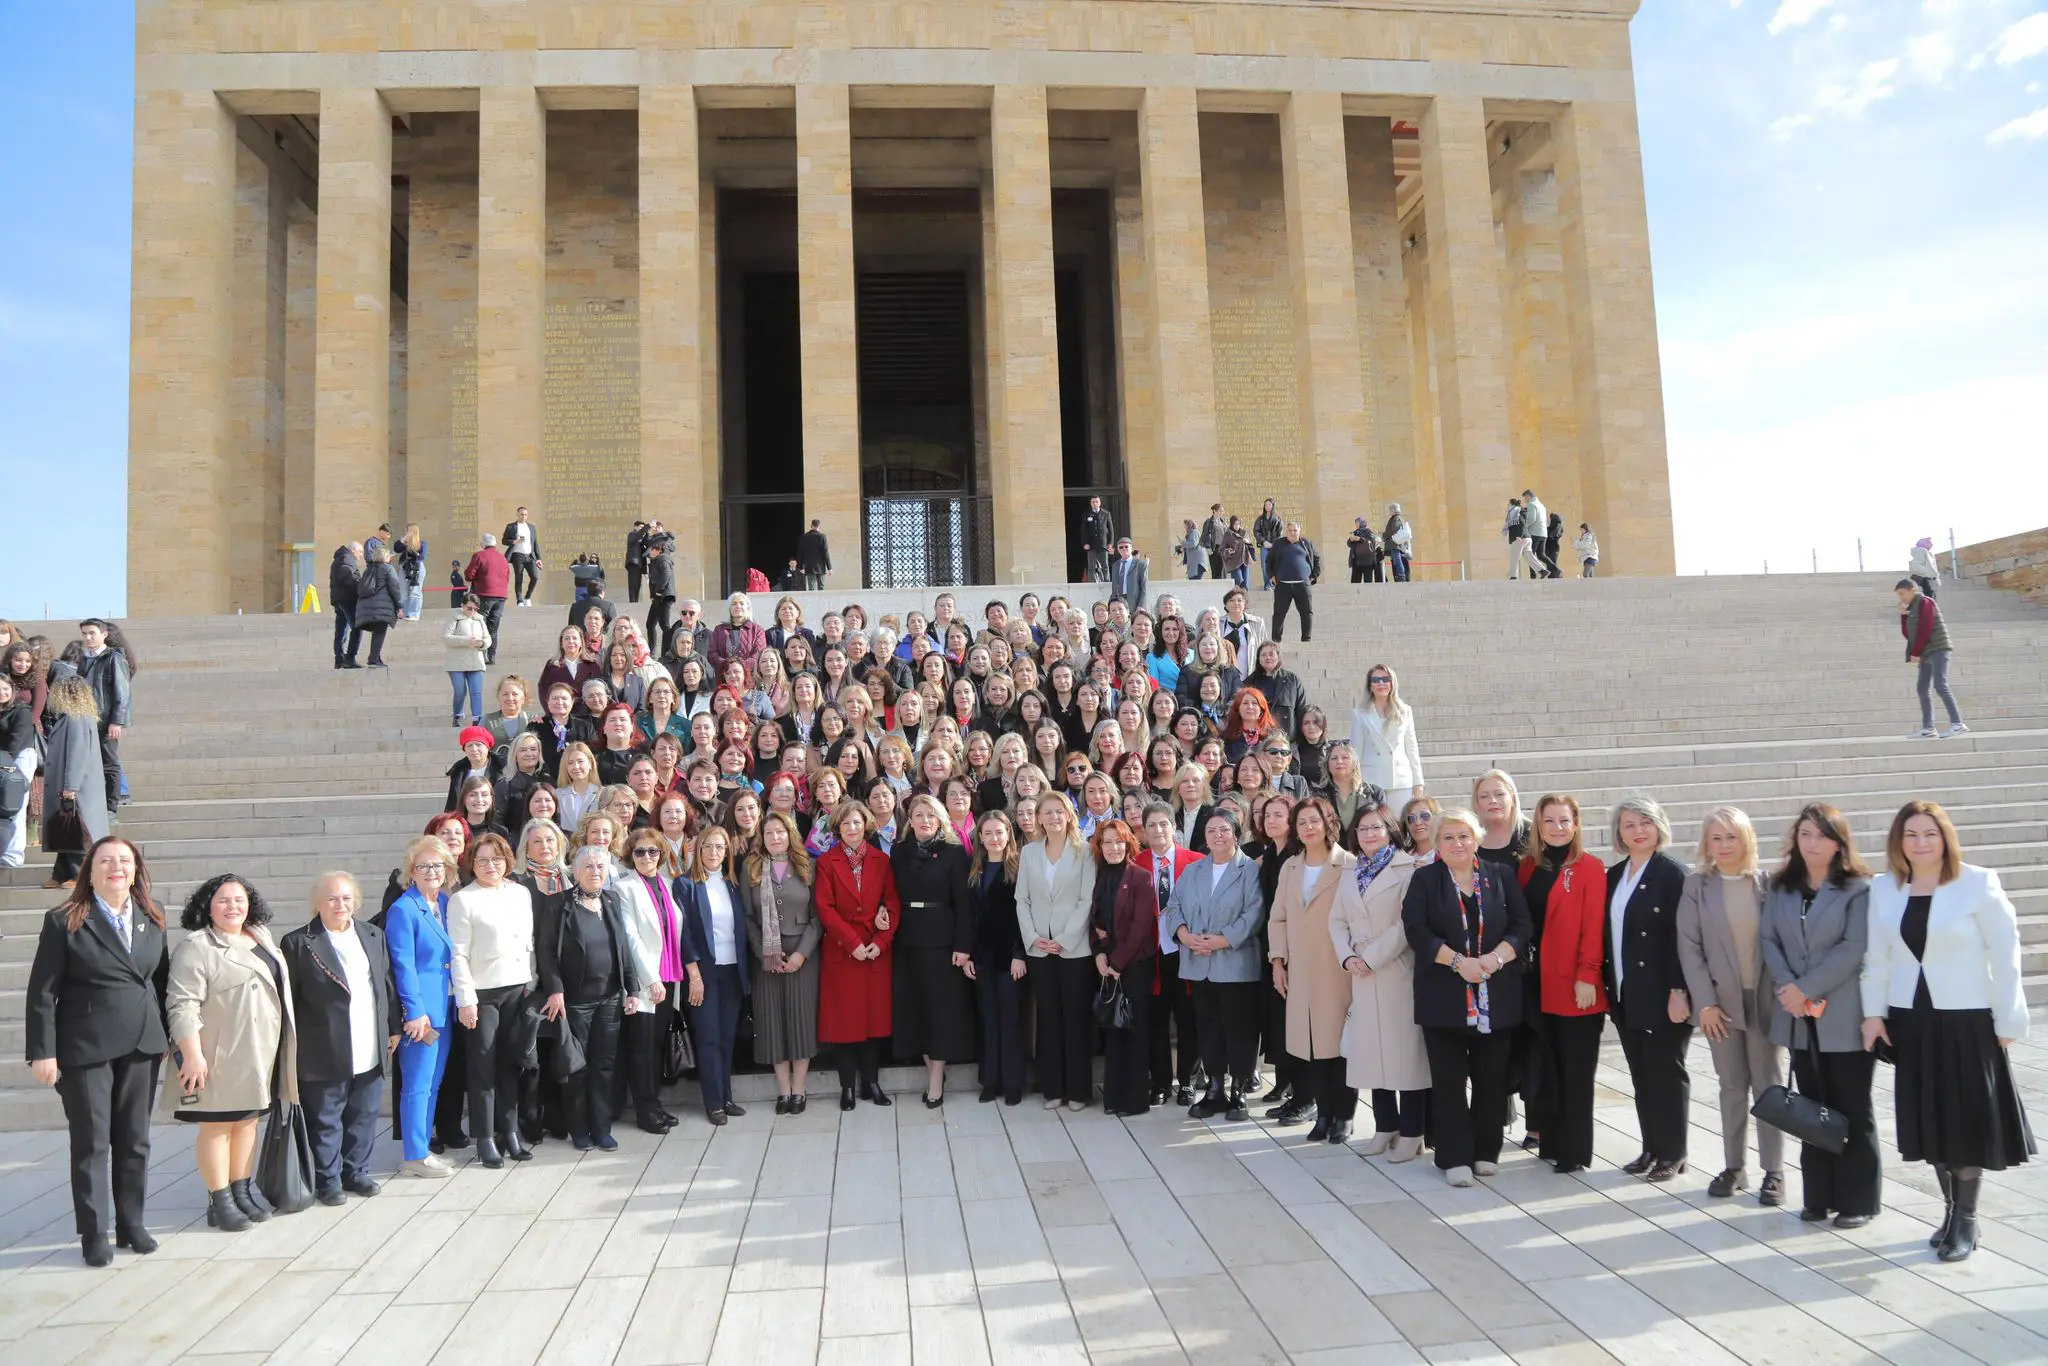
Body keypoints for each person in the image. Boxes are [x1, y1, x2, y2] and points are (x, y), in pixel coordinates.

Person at [1863, 801, 2032, 1263]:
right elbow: (1877, 956)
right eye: (1911, 834)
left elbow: (2006, 951)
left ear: (1945, 838)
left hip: (1965, 1019)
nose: (1920, 843)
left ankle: (1967, 1220)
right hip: (1910, 1020)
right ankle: (1950, 1210)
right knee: (1930, 1118)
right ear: (1898, 841)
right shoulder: (1884, 888)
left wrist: (2009, 1017)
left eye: (1929, 834)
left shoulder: (1977, 882)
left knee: (1963, 1119)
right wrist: (1873, 1014)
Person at [25, 836, 171, 1264]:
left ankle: (132, 1224)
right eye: (106, 861)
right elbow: (41, 992)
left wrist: (163, 1034)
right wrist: (42, 1051)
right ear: (90, 871)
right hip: (85, 1047)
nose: (116, 868)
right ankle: (94, 1233)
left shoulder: (152, 915)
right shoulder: (66, 920)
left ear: (136, 869)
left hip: (142, 1044)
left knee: (136, 1141)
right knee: (91, 1144)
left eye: (125, 861)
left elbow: (160, 982)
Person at [1760, 803, 1877, 1226]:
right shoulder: (1781, 887)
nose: (1813, 843)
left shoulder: (1858, 888)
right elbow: (1768, 938)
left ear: (1839, 842)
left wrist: (1807, 988)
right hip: (1797, 1014)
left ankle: (1857, 1201)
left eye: (1823, 835)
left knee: (1851, 1108)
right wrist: (1791, 989)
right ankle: (1819, 1196)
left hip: (1843, 1014)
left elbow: (1853, 947)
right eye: (1805, 833)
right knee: (1811, 1109)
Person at [1404, 807, 1532, 1186]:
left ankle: (1485, 1150)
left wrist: (1494, 959)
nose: (1456, 843)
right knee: (1448, 1080)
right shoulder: (1424, 880)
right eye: (1448, 837)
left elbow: (1522, 926)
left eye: (1463, 836)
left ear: (1476, 839)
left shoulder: (1501, 876)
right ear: (1437, 844)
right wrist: (1459, 962)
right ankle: (1454, 1155)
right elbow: (1417, 931)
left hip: (1496, 990)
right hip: (1443, 995)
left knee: (1491, 1077)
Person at [1676, 806, 1783, 1204]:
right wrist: (1704, 1004)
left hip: (1765, 1000)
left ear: (1746, 840)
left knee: (1768, 1087)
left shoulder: (1768, 884)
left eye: (1731, 837)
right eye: (1715, 838)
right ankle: (1734, 1166)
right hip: (1720, 1003)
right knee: (1732, 1085)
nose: (1723, 845)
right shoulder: (1697, 886)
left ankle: (1774, 1172)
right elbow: (1690, 948)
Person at [281, 872, 399, 1206]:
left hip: (369, 1041)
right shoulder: (298, 943)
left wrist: (393, 1027)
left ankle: (356, 1171)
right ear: (317, 903)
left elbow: (385, 985)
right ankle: (328, 1179)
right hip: (324, 1046)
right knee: (326, 1118)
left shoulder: (372, 934)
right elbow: (289, 1000)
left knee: (363, 1114)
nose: (340, 904)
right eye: (332, 898)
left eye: (346, 898)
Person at [1518, 795, 1609, 1176]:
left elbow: (1593, 926)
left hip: (1575, 985)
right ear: (1538, 825)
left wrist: (1587, 974)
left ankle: (1574, 1151)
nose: (1557, 827)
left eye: (1564, 820)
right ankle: (1550, 1143)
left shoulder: (1589, 867)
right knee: (1548, 1067)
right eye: (1549, 820)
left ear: (1576, 824)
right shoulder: (1527, 867)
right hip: (1537, 983)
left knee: (1576, 1070)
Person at [1604, 793, 1693, 1183]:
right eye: (1629, 825)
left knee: (1667, 1073)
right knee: (1641, 1073)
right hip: (1625, 990)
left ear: (1659, 827)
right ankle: (1651, 1147)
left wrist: (1679, 990)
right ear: (1619, 834)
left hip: (1663, 992)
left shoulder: (1674, 874)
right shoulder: (1614, 875)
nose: (1638, 831)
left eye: (1645, 823)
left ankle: (1674, 1152)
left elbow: (1684, 937)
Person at [1329, 803, 1427, 1158]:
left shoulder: (1407, 868)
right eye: (1363, 828)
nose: (1369, 834)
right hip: (1361, 972)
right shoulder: (1350, 871)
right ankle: (1386, 1125)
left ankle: (1413, 1130)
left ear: (1389, 830)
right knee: (1371, 1053)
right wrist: (1349, 957)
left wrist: (1371, 957)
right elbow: (1337, 921)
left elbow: (1407, 923)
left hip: (1395, 968)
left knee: (1405, 1054)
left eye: (1376, 827)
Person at [1163, 808, 1266, 1121]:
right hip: (1198, 962)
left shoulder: (1248, 870)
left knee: (1239, 1029)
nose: (1218, 836)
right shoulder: (1194, 869)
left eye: (1224, 829)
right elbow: (1174, 906)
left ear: (1235, 832)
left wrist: (1223, 940)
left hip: (1235, 962)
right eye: (1211, 831)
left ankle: (1238, 1091)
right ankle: (1215, 1088)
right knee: (1208, 1028)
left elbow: (1254, 912)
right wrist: (1183, 935)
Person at [537, 846, 641, 1149]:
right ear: (576, 872)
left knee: (604, 1065)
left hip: (609, 999)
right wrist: (555, 989)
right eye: (589, 867)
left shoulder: (611, 900)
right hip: (576, 1000)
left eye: (600, 867)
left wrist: (632, 989)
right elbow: (546, 952)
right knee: (577, 1067)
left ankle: (602, 1127)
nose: (596, 872)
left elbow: (623, 948)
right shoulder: (558, 905)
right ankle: (579, 1129)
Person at [1269, 798, 1360, 1142]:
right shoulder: (1291, 867)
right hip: (1301, 971)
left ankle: (1345, 1115)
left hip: (1337, 968)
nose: (1309, 827)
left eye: (1315, 820)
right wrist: (1278, 960)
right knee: (1312, 1047)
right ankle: (1323, 1114)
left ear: (1328, 823)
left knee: (1338, 1045)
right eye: (1302, 821)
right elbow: (1277, 917)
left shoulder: (1347, 865)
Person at [448, 833, 537, 1167]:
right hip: (482, 995)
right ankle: (485, 1137)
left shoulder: (520, 893)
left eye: (497, 859)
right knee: (483, 1068)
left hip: (516, 989)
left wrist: (531, 978)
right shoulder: (463, 900)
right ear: (472, 863)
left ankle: (510, 1132)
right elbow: (458, 953)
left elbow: (527, 939)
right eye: (482, 860)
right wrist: (465, 999)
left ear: (507, 862)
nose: (490, 866)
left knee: (510, 1065)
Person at [891, 795, 976, 1107]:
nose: (924, 820)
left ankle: (936, 1080)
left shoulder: (954, 853)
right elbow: (891, 894)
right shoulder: (898, 852)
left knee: (940, 1013)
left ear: (941, 819)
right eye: (918, 815)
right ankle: (933, 1069)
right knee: (916, 1012)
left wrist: (963, 946)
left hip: (942, 942)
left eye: (931, 815)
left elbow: (964, 905)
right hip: (907, 940)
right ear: (909, 820)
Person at [815, 802, 899, 1108]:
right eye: (846, 824)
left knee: (873, 1021)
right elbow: (825, 908)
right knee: (845, 1023)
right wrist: (852, 943)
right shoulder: (826, 862)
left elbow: (892, 904)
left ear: (866, 825)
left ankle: (872, 1083)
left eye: (857, 823)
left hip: (875, 952)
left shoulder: (881, 860)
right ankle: (847, 1086)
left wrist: (881, 941)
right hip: (843, 952)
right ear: (838, 828)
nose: (852, 828)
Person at [1019, 792, 1100, 1110]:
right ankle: (1052, 1088)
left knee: (1075, 1020)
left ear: (1069, 815)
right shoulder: (1028, 853)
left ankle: (1078, 1091)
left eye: (1059, 811)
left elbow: (1086, 899)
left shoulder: (1085, 852)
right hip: (1040, 949)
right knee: (1048, 1020)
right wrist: (1033, 937)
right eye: (1047, 812)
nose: (1053, 817)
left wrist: (1065, 938)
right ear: (1038, 818)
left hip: (1074, 949)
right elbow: (1021, 900)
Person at [385, 836, 459, 1178]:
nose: (432, 871)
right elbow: (403, 964)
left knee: (433, 1082)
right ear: (411, 872)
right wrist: (414, 1011)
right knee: (417, 1083)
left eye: (438, 865)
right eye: (424, 866)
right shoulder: (403, 909)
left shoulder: (443, 903)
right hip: (422, 1013)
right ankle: (414, 1155)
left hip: (445, 1006)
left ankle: (422, 1148)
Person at [744, 810, 821, 1112]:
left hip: (803, 951)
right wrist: (764, 954)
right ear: (761, 838)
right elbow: (748, 919)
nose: (775, 838)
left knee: (800, 1019)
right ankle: (783, 1090)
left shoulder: (807, 866)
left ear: (790, 834)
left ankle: (800, 1090)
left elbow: (818, 918)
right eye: (768, 833)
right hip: (766, 954)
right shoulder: (751, 869)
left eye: (780, 832)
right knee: (772, 1021)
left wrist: (802, 953)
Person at [675, 824, 746, 1124]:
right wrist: (695, 976)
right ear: (697, 850)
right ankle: (713, 1102)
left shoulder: (732, 883)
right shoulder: (686, 884)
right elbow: (684, 935)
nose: (713, 852)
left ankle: (726, 1096)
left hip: (733, 971)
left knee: (727, 1037)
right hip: (703, 973)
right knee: (708, 1038)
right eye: (707, 847)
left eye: (719, 847)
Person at [617, 828, 683, 1132]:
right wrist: (650, 978)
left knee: (656, 1044)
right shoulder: (624, 888)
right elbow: (630, 938)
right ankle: (645, 1110)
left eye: (652, 851)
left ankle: (655, 1103)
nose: (646, 857)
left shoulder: (668, 884)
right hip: (646, 981)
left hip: (670, 977)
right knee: (642, 1047)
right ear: (631, 856)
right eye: (639, 852)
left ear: (662, 854)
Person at [968, 809, 1030, 1105]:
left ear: (1009, 834)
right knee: (988, 1019)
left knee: (1011, 1020)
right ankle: (991, 1081)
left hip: (1011, 957)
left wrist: (1020, 954)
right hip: (982, 958)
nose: (994, 838)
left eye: (999, 832)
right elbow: (970, 917)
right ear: (980, 837)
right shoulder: (974, 869)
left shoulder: (1020, 868)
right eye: (988, 833)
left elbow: (1024, 915)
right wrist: (967, 954)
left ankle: (1014, 1083)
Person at [40, 677, 111, 889]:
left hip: (78, 787)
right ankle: (61, 872)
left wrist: (71, 787)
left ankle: (79, 874)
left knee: (78, 830)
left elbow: (77, 755)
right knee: (67, 827)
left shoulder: (76, 720)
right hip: (74, 784)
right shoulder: (74, 718)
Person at [1897, 578, 1967, 739]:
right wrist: (1903, 616)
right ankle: (1928, 728)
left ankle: (1958, 723)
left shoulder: (1925, 602)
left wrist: (1915, 652)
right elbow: (1909, 634)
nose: (1901, 598)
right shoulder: (1912, 608)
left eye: (1902, 593)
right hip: (1926, 652)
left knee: (1940, 685)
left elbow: (1925, 629)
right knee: (1922, 688)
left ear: (1912, 590)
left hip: (1938, 648)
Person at [1350, 665, 1423, 815]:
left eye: (1385, 679)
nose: (1381, 683)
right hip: (1372, 780)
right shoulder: (1359, 714)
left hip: (1401, 779)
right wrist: (1355, 782)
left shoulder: (1405, 710)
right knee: (1376, 824)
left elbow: (1411, 747)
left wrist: (1418, 781)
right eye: (1376, 680)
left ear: (1392, 683)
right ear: (1370, 685)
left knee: (1400, 825)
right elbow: (1355, 751)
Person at [0, 675, 36, 869]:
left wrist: (6, 766)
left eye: (5, 688)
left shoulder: (21, 710)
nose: (2, 693)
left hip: (19, 758)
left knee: (16, 807)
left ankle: (13, 855)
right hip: (2, 759)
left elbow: (17, 741)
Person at [443, 594, 493, 728]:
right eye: (469, 608)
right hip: (456, 662)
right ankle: (457, 714)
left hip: (475, 661)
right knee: (460, 691)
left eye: (475, 609)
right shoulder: (455, 618)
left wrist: (482, 643)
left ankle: (477, 718)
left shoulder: (479, 620)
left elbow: (488, 638)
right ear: (462, 606)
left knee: (476, 691)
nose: (472, 612)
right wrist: (466, 641)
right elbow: (446, 638)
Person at [464, 534, 512, 664]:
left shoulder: (479, 555)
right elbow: (507, 577)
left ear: (482, 544)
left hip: (484, 594)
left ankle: (481, 654)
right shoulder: (502, 558)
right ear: (495, 544)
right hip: (501, 596)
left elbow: (469, 574)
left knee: (480, 624)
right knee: (493, 627)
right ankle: (491, 656)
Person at [1267, 522, 1317, 643]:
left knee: (1306, 612)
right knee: (1279, 613)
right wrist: (1272, 576)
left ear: (1299, 531)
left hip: (1302, 585)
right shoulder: (1278, 544)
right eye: (1290, 530)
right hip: (1283, 585)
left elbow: (1316, 559)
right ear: (1286, 531)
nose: (1292, 533)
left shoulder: (1306, 543)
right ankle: (1276, 639)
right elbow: (1269, 561)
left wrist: (1313, 577)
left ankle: (1306, 639)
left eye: (1295, 530)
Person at [330, 544, 363, 668]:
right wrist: (361, 587)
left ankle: (339, 659)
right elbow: (348, 576)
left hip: (339, 599)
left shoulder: (339, 558)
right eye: (360, 552)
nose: (361, 556)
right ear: (353, 550)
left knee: (341, 630)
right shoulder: (346, 558)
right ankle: (349, 658)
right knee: (357, 626)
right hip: (347, 598)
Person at [502, 506, 543, 606]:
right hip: (517, 555)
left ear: (527, 516)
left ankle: (527, 597)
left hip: (530, 556)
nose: (523, 516)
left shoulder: (531, 527)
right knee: (519, 578)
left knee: (535, 577)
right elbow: (504, 541)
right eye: (521, 514)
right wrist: (514, 541)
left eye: (525, 514)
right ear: (517, 515)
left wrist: (539, 558)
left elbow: (535, 543)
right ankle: (519, 600)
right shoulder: (511, 527)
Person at [645, 535, 677, 656]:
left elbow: (666, 574)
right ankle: (651, 651)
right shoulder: (657, 560)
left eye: (652, 550)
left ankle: (667, 652)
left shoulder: (663, 559)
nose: (650, 553)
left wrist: (659, 589)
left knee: (665, 625)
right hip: (659, 597)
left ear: (658, 550)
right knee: (650, 623)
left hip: (664, 596)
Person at [1108, 538, 1150, 613]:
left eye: (1126, 546)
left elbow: (1144, 587)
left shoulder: (1140, 564)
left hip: (1133, 602)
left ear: (1131, 548)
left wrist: (1142, 605)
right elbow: (1114, 586)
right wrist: (1111, 603)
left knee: (1133, 623)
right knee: (1116, 623)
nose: (1124, 549)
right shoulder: (1115, 565)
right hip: (1118, 600)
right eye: (1121, 547)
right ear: (1118, 549)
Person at [1083, 496, 1116, 583]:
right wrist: (1085, 543)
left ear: (1100, 503)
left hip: (1103, 542)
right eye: (1093, 502)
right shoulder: (1087, 514)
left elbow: (1111, 529)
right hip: (1091, 543)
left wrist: (1110, 543)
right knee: (1091, 566)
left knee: (1105, 565)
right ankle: (1092, 581)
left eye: (1096, 502)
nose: (1095, 503)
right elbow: (1084, 530)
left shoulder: (1106, 514)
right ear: (1091, 503)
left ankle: (1106, 581)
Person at [1522, 490, 1554, 577]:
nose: (1525, 500)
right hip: (1543, 533)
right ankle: (1555, 569)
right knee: (1541, 555)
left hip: (1534, 533)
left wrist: (1524, 526)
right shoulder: (1541, 505)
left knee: (1530, 555)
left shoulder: (1532, 504)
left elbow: (1532, 518)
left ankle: (1533, 575)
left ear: (1528, 496)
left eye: (1525, 498)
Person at [1253, 499, 1284, 589]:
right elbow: (1256, 531)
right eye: (1265, 505)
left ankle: (1275, 583)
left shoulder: (1278, 519)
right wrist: (1263, 541)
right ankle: (1267, 584)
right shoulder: (1260, 519)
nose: (1267, 506)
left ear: (1273, 506)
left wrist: (1273, 543)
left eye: (1269, 504)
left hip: (1275, 546)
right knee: (1265, 565)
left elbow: (1280, 533)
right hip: (1264, 546)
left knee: (1275, 565)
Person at [1346, 518, 1383, 584]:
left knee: (1368, 582)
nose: (1356, 524)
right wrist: (1351, 540)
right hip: (1356, 561)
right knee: (1355, 582)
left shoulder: (1369, 531)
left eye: (1358, 522)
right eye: (1356, 523)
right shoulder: (1355, 532)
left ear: (1362, 523)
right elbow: (1349, 544)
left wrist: (1359, 539)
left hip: (1367, 561)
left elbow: (1371, 542)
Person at [798, 518, 832, 590]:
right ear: (819, 526)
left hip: (809, 566)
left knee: (811, 588)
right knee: (821, 587)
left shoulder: (804, 537)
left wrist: (800, 566)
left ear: (811, 525)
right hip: (820, 566)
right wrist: (829, 567)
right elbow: (825, 552)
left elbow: (800, 553)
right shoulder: (822, 537)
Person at [1504, 497, 1532, 580]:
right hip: (1523, 537)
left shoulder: (1516, 512)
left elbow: (1521, 524)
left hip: (1519, 538)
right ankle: (1542, 570)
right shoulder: (1515, 512)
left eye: (1508, 504)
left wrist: (1519, 535)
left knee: (1514, 557)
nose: (1507, 506)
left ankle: (1514, 575)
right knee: (1528, 556)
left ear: (1512, 504)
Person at [1384, 503, 1413, 582]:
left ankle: (1400, 576)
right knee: (1396, 561)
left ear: (1393, 510)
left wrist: (1384, 535)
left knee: (1397, 561)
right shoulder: (1397, 518)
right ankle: (1399, 576)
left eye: (1390, 510)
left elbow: (1393, 529)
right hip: (1396, 544)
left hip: (1394, 544)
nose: (1389, 512)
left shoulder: (1396, 518)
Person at [1200, 503, 1227, 580]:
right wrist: (1208, 548)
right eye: (1220, 511)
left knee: (1222, 569)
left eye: (1222, 511)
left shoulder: (1223, 522)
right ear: (1214, 511)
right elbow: (1205, 535)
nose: (1222, 512)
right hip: (1214, 548)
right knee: (1215, 570)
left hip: (1222, 548)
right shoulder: (1209, 522)